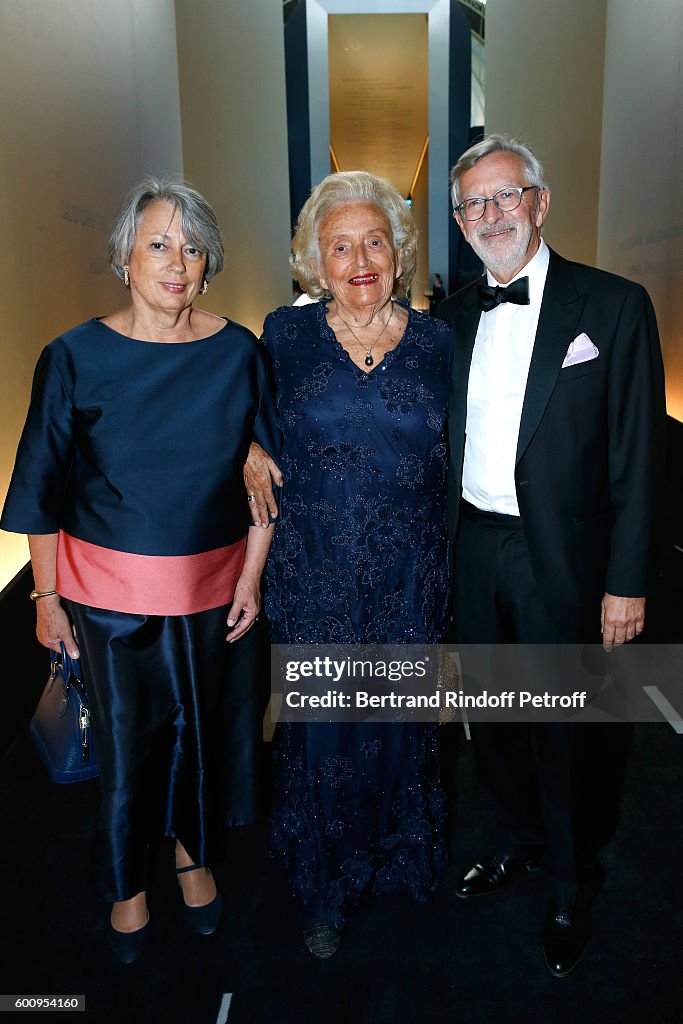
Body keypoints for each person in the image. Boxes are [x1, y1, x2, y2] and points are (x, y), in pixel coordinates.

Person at [1, 177, 279, 963]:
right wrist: (46, 596)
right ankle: (126, 886)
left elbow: (266, 478)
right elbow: (38, 489)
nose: (176, 261)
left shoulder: (238, 353)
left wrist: (253, 577)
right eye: (158, 243)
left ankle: (194, 862)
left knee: (205, 737)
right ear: (125, 257)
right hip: (107, 602)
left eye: (193, 248)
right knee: (129, 748)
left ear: (209, 263)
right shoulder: (73, 356)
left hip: (215, 595)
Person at [437, 135, 666, 976]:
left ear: (538, 202)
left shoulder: (611, 305)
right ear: (459, 224)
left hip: (563, 557)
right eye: (472, 205)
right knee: (491, 722)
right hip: (474, 544)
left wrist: (626, 582)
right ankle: (517, 840)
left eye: (504, 197)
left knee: (566, 726)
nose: (490, 215)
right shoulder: (453, 317)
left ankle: (572, 882)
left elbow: (638, 456)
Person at [248, 170, 451, 958]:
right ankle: (324, 889)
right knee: (325, 731)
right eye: (340, 245)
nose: (359, 258)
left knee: (399, 726)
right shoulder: (282, 336)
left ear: (398, 253)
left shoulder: (439, 343)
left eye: (374, 240)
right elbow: (248, 419)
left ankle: (401, 862)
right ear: (314, 260)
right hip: (314, 571)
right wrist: (247, 452)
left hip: (410, 576)